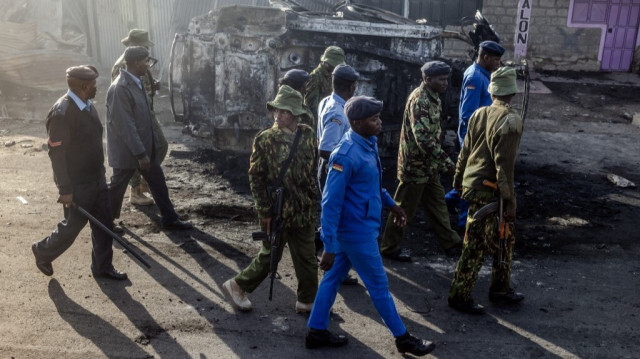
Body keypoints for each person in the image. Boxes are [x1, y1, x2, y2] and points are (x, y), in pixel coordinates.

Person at [305, 96, 435, 357]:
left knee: (332, 279)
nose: (379, 122)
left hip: (358, 228)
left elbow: (370, 185)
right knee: (379, 286)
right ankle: (403, 338)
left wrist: (391, 204)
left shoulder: (367, 143)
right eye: (374, 119)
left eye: (378, 118)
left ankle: (316, 331)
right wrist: (329, 245)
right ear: (356, 122)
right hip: (356, 233)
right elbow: (330, 203)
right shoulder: (346, 154)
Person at [222, 85, 319, 313]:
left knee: (307, 258)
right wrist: (264, 211)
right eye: (277, 110)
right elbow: (256, 177)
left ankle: (307, 300)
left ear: (296, 114)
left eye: (285, 111)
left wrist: (314, 201)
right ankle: (237, 285)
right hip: (278, 210)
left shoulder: (307, 135)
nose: (279, 115)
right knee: (270, 256)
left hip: (303, 209)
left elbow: (312, 170)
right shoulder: (266, 139)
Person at [31, 65, 127, 280]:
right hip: (78, 184)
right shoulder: (62, 113)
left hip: (96, 178)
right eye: (93, 84)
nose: (96, 87)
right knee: (71, 228)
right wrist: (65, 189)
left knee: (104, 225)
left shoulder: (86, 104)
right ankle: (43, 251)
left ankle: (102, 267)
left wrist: (100, 172)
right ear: (84, 86)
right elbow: (56, 154)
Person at [448, 67, 524, 314]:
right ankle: (459, 296)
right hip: (489, 193)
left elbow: (465, 152)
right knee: (476, 246)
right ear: (512, 92)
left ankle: (500, 288)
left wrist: (458, 181)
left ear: (492, 90)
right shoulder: (511, 120)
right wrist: (510, 202)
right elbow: (505, 168)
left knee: (506, 239)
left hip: (474, 187)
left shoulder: (479, 114)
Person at [380, 61, 462, 262]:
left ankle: (451, 243)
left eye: (446, 79)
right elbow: (423, 139)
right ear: (427, 79)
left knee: (438, 206)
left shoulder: (434, 98)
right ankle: (389, 247)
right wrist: (448, 164)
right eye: (440, 79)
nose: (445, 83)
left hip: (429, 166)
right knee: (403, 208)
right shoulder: (420, 101)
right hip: (415, 168)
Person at [106, 46, 192, 230]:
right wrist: (140, 153)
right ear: (136, 63)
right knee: (116, 188)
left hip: (145, 148)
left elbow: (147, 116)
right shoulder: (120, 88)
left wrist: (152, 146)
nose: (148, 65)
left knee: (158, 184)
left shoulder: (137, 82)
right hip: (129, 152)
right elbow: (126, 126)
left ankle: (170, 218)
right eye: (146, 61)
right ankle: (105, 223)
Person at [445, 41, 505, 229]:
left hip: (479, 136)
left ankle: (447, 201)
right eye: (496, 60)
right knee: (472, 181)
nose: (498, 64)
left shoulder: (482, 74)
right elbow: (467, 115)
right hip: (474, 139)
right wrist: (473, 143)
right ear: (485, 57)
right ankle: (464, 225)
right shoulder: (475, 78)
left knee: (470, 177)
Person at [111, 29, 167, 207]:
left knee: (159, 146)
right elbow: (126, 92)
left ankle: (144, 183)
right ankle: (134, 191)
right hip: (135, 115)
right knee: (134, 155)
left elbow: (142, 85)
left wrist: (153, 86)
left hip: (147, 112)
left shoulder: (140, 61)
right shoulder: (122, 67)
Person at [315, 64, 360, 285]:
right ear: (351, 87)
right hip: (333, 170)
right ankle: (332, 268)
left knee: (332, 215)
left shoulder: (327, 101)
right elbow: (325, 148)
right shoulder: (338, 112)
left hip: (329, 169)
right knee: (337, 216)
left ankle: (322, 250)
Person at [304, 46, 345, 128]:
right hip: (319, 121)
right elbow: (310, 105)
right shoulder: (315, 77)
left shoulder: (332, 75)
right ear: (326, 62)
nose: (335, 67)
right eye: (334, 64)